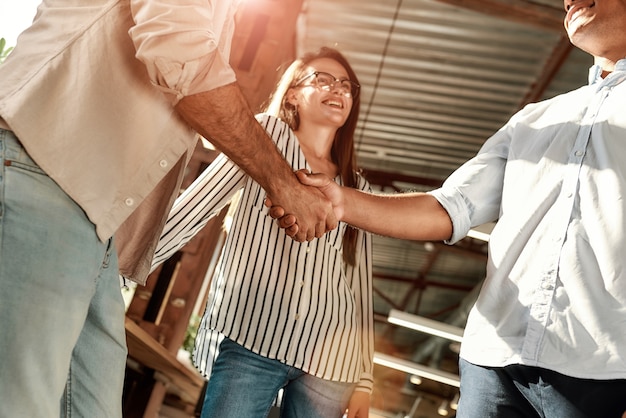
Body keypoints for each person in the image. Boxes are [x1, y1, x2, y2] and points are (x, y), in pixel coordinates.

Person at [271, 0, 626, 417]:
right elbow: (450, 206)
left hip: (605, 371)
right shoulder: (534, 120)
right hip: (493, 362)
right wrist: (342, 200)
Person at [0, 1, 336, 417]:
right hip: (47, 169)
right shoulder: (268, 126)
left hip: (94, 221)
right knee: (19, 401)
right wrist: (283, 181)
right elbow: (178, 52)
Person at [151, 47, 374, 418]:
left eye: (346, 85)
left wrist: (365, 381)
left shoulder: (357, 185)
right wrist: (120, 265)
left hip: (332, 359)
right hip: (255, 334)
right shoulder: (264, 138)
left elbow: (359, 284)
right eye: (323, 79)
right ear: (292, 95)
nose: (338, 89)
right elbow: (196, 206)